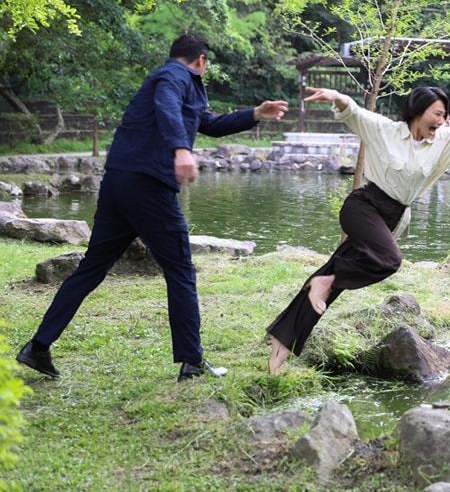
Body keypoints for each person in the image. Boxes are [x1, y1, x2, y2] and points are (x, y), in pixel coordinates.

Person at [15, 34, 289, 382]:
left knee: (92, 268)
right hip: (148, 186)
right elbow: (167, 107)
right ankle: (192, 362)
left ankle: (38, 347)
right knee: (180, 270)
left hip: (119, 183)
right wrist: (181, 149)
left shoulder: (174, 80)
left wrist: (254, 114)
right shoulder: (173, 77)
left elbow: (207, 123)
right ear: (201, 60)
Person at [264, 86, 450, 374]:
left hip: (390, 219)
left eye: (444, 115)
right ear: (418, 111)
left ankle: (281, 344)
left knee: (332, 278)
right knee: (389, 260)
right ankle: (325, 282)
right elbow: (354, 113)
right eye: (437, 114)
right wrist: (337, 97)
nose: (441, 120)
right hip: (364, 207)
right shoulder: (386, 130)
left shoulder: (444, 139)